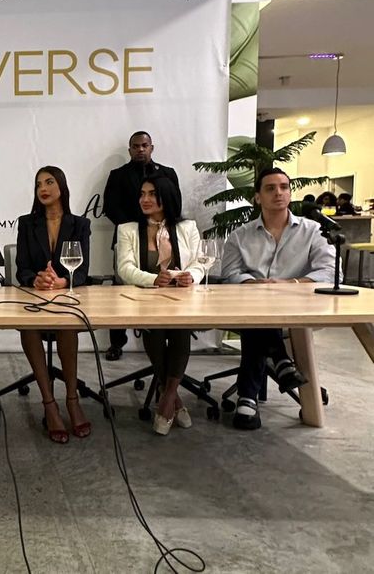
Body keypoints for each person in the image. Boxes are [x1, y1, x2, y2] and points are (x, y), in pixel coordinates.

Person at [222, 167, 336, 430]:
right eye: (270, 188)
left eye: (284, 187)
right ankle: (280, 360)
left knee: (257, 321)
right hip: (250, 306)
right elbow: (229, 275)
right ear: (258, 197)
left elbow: (331, 271)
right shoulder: (240, 236)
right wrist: (254, 284)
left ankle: (248, 395)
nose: (279, 193)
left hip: (298, 306)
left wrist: (291, 284)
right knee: (256, 314)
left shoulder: (313, 230)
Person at [116, 175, 205, 435]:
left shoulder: (188, 227)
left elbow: (200, 261)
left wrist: (193, 276)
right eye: (142, 193)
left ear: (166, 196)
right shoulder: (128, 229)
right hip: (146, 299)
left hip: (182, 298)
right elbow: (125, 269)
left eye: (152, 193)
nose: (145, 199)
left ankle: (166, 398)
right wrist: (154, 279)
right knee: (155, 333)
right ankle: (174, 400)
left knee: (179, 332)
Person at [15, 166, 92, 443]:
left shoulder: (80, 224)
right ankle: (49, 403)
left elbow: (83, 272)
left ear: (61, 186)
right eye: (38, 184)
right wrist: (35, 279)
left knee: (67, 325)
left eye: (49, 182)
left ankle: (72, 399)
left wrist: (63, 282)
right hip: (35, 298)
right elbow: (21, 269)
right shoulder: (27, 223)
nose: (43, 188)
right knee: (28, 327)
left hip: (64, 297)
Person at [102, 131, 180, 361]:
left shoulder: (168, 174)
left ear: (151, 147)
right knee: (121, 290)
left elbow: (176, 204)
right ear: (130, 150)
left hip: (164, 238)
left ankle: (166, 336)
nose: (140, 149)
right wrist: (137, 228)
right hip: (128, 238)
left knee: (168, 285)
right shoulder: (117, 175)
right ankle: (117, 342)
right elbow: (110, 207)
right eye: (135, 146)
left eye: (144, 145)